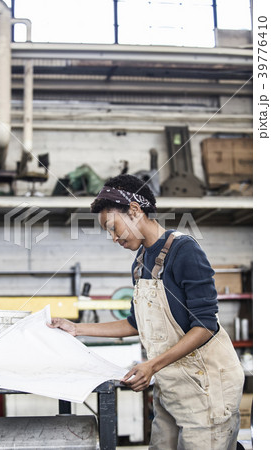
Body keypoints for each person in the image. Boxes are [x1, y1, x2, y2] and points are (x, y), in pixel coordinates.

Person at [48, 174, 245, 450]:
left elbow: (205, 325)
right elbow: (133, 322)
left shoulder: (184, 250)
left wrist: (152, 365)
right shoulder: (140, 263)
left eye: (114, 227)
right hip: (172, 387)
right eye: (108, 232)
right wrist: (77, 329)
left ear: (135, 210)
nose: (114, 238)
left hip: (207, 387)